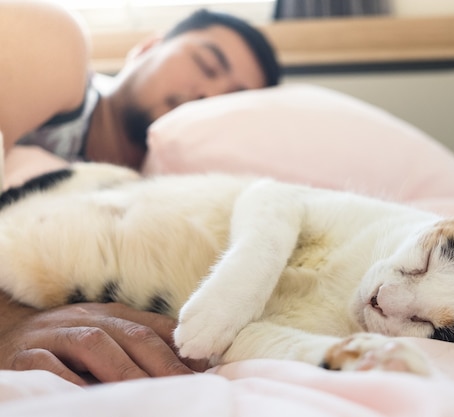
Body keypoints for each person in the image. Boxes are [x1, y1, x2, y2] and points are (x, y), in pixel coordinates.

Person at [0, 1, 281, 385]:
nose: (209, 95)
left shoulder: (165, 216)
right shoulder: (56, 49)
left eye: (231, 99)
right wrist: (8, 321)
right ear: (148, 47)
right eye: (207, 65)